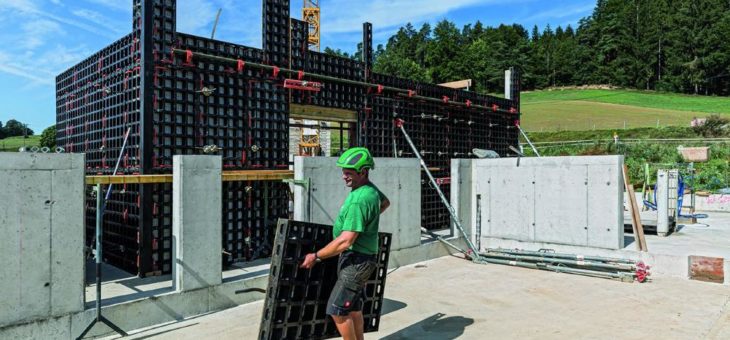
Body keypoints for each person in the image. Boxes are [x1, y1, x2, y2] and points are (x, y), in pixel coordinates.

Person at [300, 147, 390, 340]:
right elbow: (385, 203)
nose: (344, 176)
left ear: (363, 171)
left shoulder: (359, 200)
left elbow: (345, 240)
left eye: (348, 172)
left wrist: (316, 256)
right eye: (343, 171)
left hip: (357, 260)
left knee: (337, 310)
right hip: (362, 258)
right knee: (354, 309)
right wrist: (367, 221)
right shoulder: (370, 190)